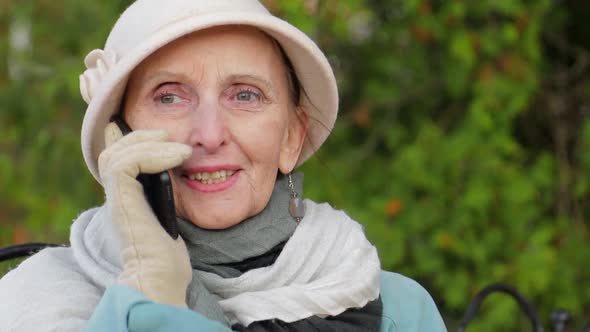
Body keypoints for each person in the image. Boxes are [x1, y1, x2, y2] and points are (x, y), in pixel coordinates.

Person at [0, 0, 447, 331]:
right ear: (116, 134)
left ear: (291, 137)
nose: (209, 134)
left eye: (245, 95)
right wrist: (146, 289)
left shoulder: (398, 310)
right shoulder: (33, 302)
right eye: (170, 96)